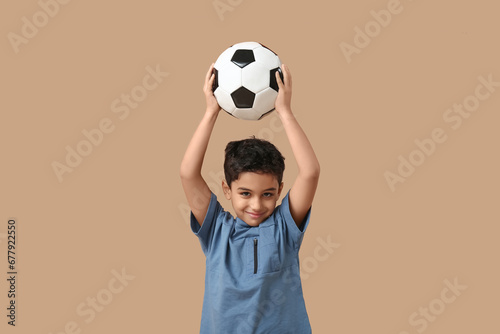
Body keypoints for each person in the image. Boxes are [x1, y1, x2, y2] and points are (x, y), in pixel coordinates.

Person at [180, 62, 320, 333]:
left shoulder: (284, 228)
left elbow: (310, 172)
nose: (257, 205)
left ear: (280, 191)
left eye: (267, 194)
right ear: (227, 190)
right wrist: (211, 112)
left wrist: (285, 113)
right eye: (245, 193)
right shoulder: (216, 230)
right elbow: (188, 173)